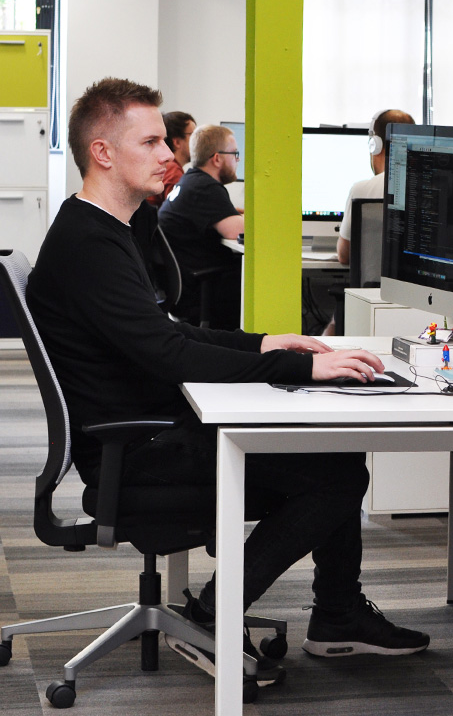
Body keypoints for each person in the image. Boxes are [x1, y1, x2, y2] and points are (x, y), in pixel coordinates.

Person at [27, 77, 430, 688]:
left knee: (335, 450)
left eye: (168, 141)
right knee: (337, 475)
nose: (172, 155)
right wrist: (300, 366)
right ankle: (218, 616)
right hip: (138, 449)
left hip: (160, 423)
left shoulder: (116, 226)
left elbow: (171, 328)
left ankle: (337, 615)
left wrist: (268, 343)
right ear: (103, 153)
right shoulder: (87, 243)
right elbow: (167, 352)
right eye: (153, 142)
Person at [157, 123, 244, 329]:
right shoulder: (205, 187)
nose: (238, 160)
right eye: (235, 153)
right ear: (217, 158)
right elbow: (237, 230)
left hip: (181, 289)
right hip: (200, 292)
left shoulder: (190, 181)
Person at [336, 109, 415, 266]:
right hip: (416, 288)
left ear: (375, 145)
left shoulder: (361, 190)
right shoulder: (426, 187)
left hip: (370, 290)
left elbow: (344, 255)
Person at [147, 110, 195, 206]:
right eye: (193, 135)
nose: (197, 141)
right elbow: (180, 210)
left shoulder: (169, 167)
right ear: (177, 142)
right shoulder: (172, 169)